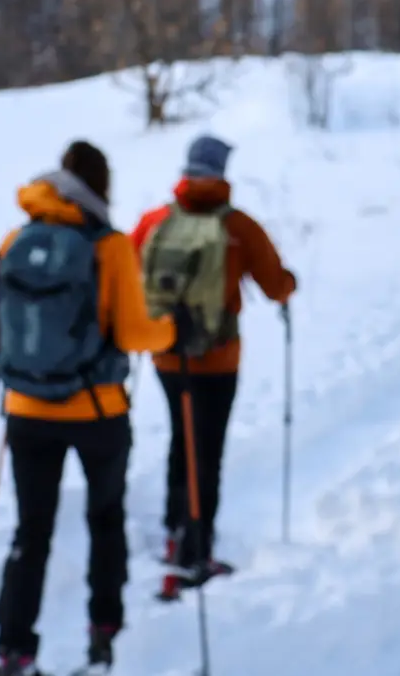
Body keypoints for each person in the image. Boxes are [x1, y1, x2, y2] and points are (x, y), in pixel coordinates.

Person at [0, 140, 186, 676]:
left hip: (25, 412)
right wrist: (171, 331)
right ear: (101, 186)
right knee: (105, 519)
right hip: (96, 412)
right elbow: (135, 332)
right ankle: (103, 633)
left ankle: (14, 649)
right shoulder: (109, 246)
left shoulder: (14, 240)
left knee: (32, 532)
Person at [130, 134, 297, 589]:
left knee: (181, 438)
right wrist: (289, 286)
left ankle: (173, 529)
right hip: (218, 360)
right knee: (208, 449)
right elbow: (274, 283)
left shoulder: (153, 221)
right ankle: (196, 550)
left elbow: (129, 275)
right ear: (222, 172)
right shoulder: (238, 226)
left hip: (166, 355)